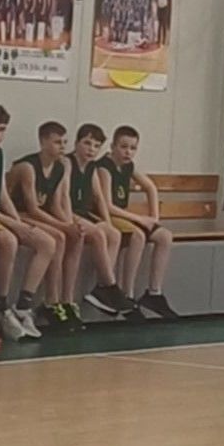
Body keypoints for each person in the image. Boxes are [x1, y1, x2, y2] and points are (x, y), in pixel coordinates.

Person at [0, 103, 55, 340]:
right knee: (9, 240)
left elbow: (2, 194)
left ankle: (24, 305)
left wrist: (18, 221)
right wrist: (13, 224)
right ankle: (1, 304)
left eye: (2, 129)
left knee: (47, 243)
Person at [95, 125, 179, 319]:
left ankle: (154, 293)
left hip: (123, 215)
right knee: (137, 235)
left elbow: (151, 187)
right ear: (113, 146)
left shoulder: (129, 166)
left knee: (165, 236)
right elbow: (107, 206)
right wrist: (141, 219)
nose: (128, 152)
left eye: (133, 148)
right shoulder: (104, 167)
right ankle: (127, 295)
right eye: (124, 147)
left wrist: (154, 218)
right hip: (105, 215)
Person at [10, 121, 88, 328]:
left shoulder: (59, 168)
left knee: (73, 235)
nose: (62, 147)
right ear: (43, 142)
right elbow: (32, 208)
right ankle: (49, 300)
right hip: (16, 214)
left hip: (36, 215)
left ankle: (63, 300)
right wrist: (64, 227)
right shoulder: (27, 167)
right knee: (59, 236)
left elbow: (53, 204)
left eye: (64, 142)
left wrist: (70, 223)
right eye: (57, 142)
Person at [68, 123, 127, 316]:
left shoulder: (92, 167)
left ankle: (101, 288)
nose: (91, 149)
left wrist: (107, 221)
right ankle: (111, 285)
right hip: (68, 213)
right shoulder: (67, 163)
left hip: (85, 213)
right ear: (76, 143)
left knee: (114, 234)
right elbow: (61, 200)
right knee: (98, 234)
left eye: (96, 146)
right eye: (87, 143)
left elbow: (99, 197)